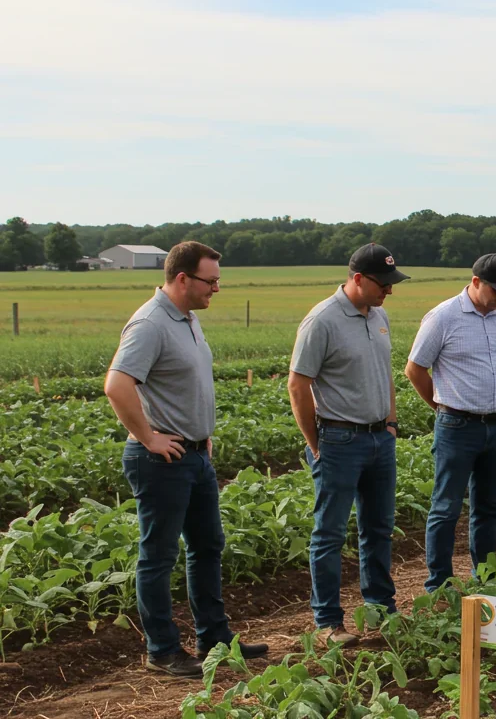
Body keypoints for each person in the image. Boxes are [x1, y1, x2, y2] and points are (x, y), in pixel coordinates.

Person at [105, 241, 268, 677]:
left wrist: (202, 435)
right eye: (210, 281)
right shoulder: (150, 323)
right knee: (158, 557)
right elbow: (117, 385)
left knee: (207, 546)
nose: (216, 289)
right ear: (182, 279)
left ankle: (214, 636)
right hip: (161, 462)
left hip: (194, 455)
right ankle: (162, 651)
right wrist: (150, 437)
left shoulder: (188, 319)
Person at [289, 243, 408, 645]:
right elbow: (298, 384)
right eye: (383, 283)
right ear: (357, 278)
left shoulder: (379, 316)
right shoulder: (321, 320)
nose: (388, 291)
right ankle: (328, 622)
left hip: (379, 438)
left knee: (378, 528)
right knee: (330, 533)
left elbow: (385, 372)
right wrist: (316, 443)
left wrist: (390, 421)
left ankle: (380, 611)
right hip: (338, 438)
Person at [406, 253, 496, 591]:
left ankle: (485, 577)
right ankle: (439, 584)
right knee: (446, 508)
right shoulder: (443, 317)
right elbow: (415, 369)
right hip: (457, 426)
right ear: (475, 283)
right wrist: (442, 406)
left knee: (488, 508)